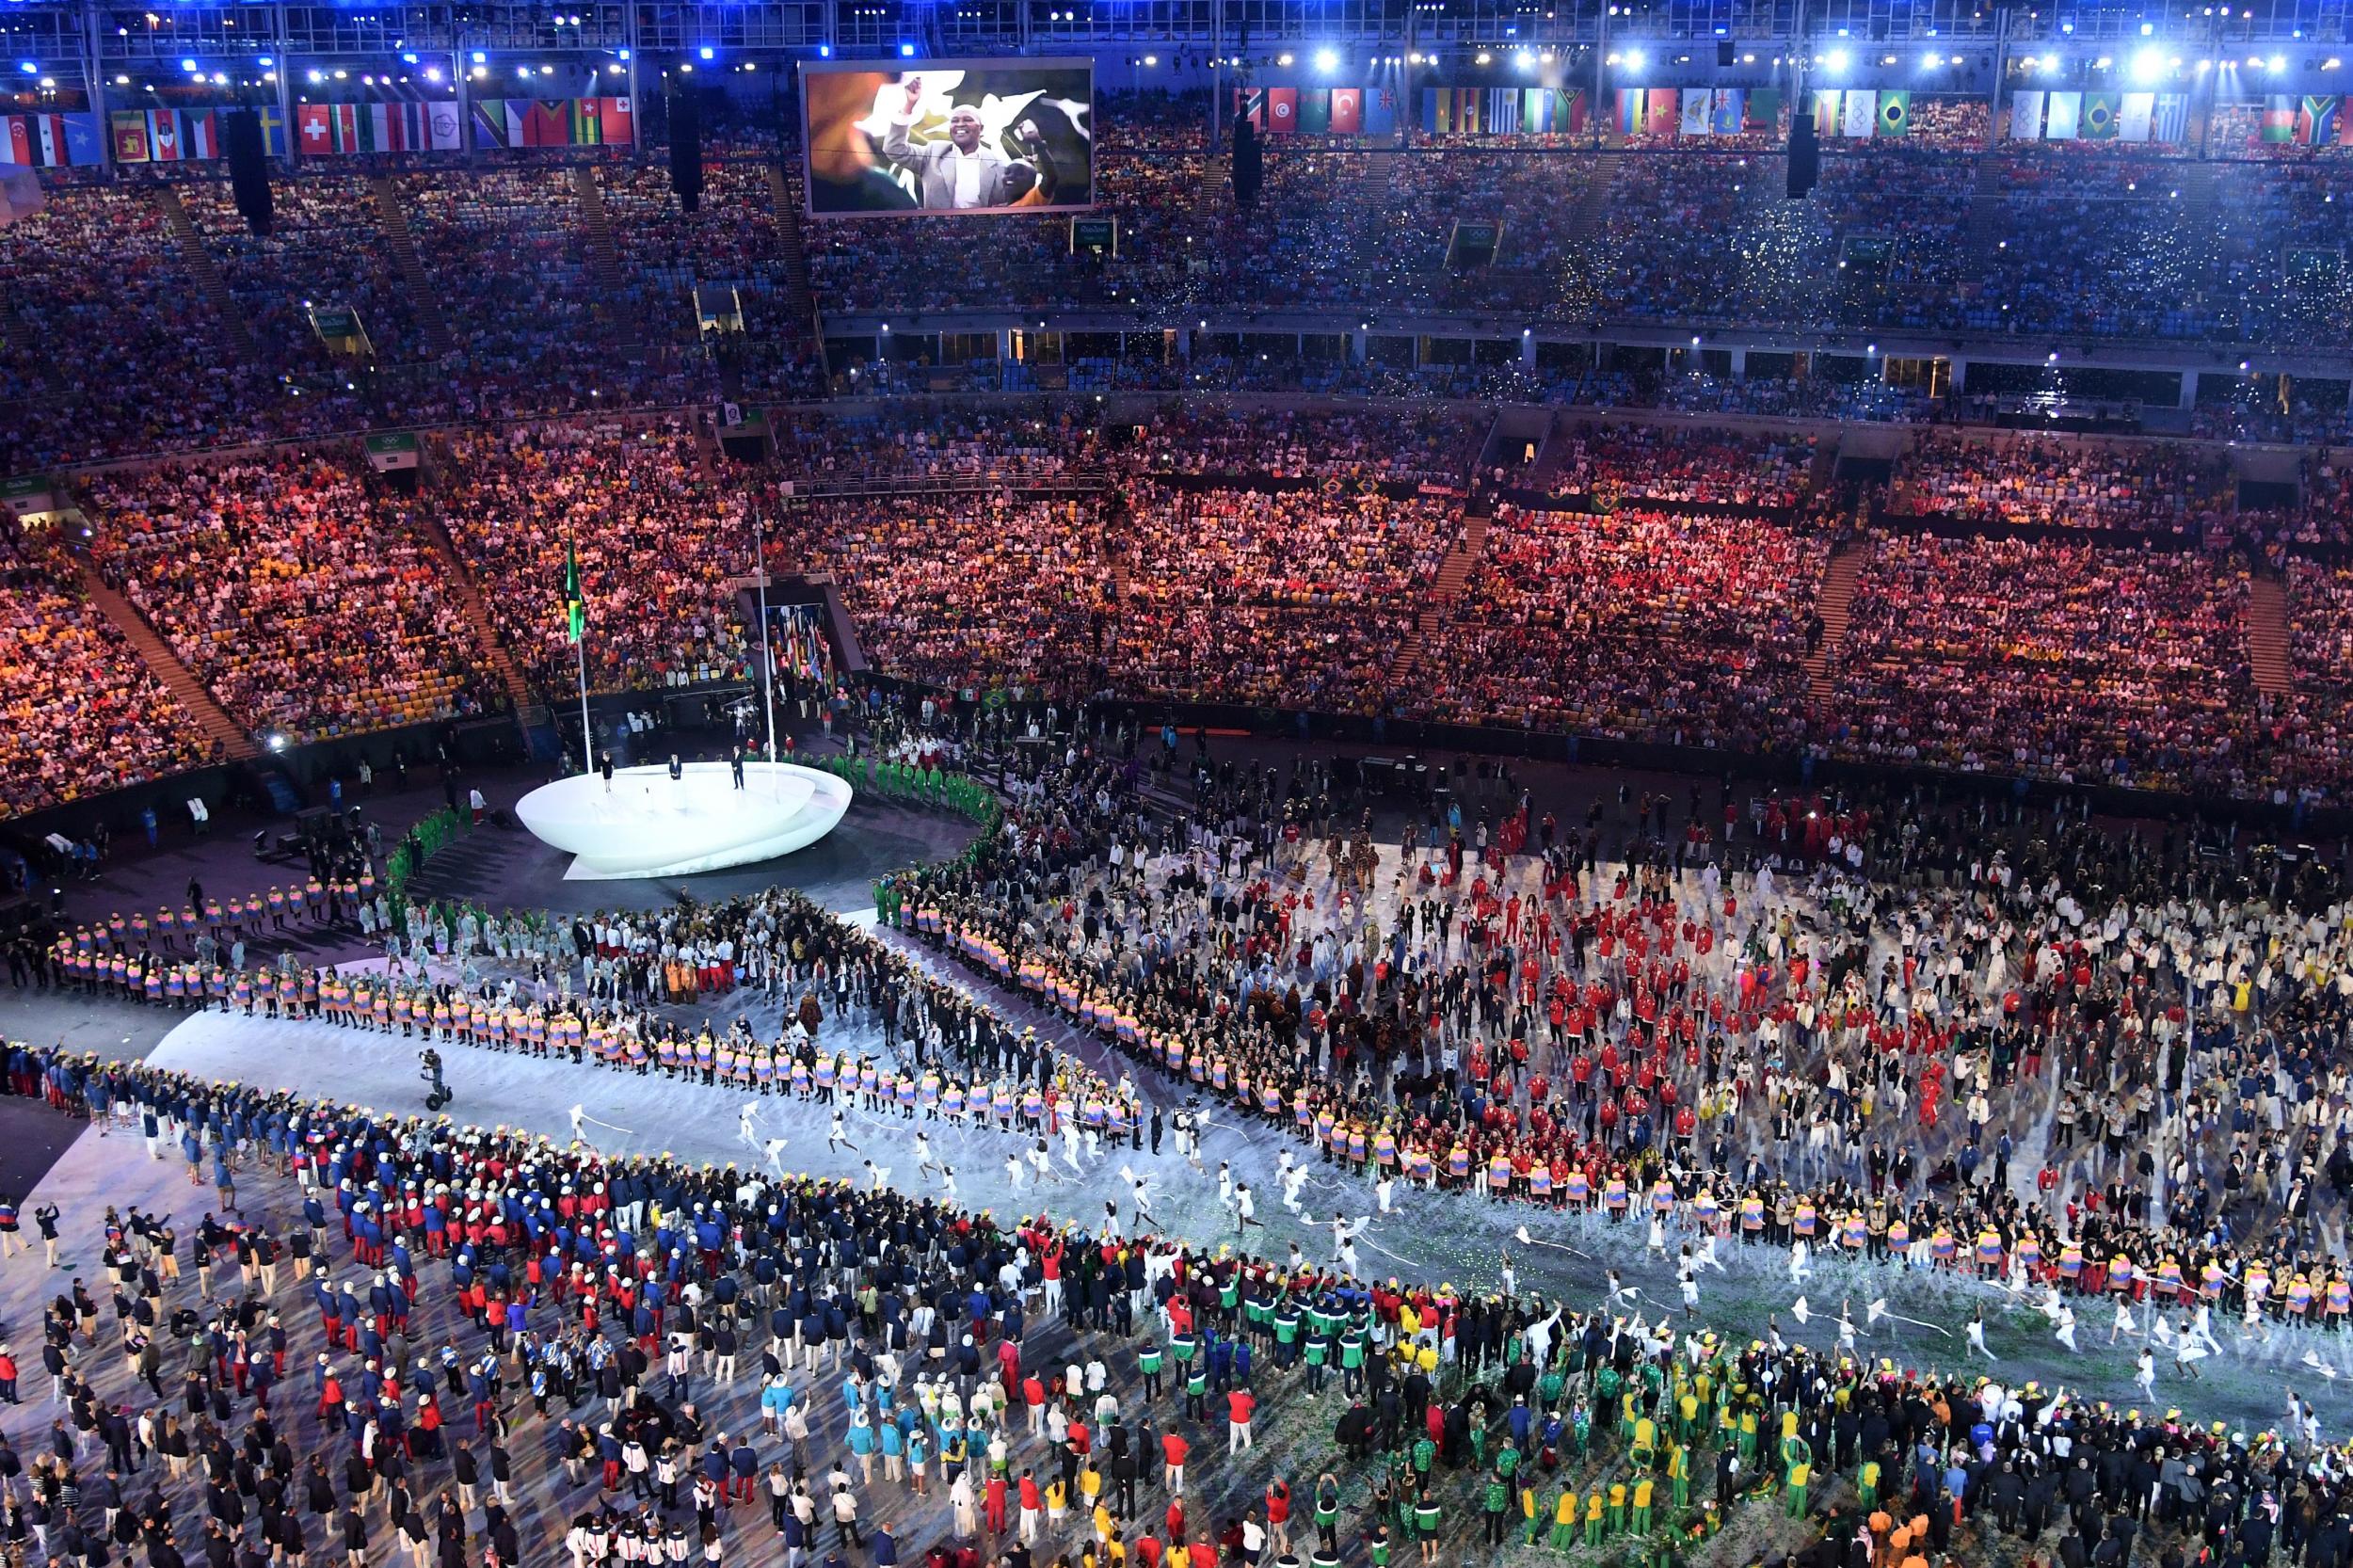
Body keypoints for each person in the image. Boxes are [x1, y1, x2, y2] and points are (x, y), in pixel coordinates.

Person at [880, 78, 1031, 211]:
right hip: (937, 232)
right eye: (954, 121)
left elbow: (1018, 199)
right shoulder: (934, 153)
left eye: (968, 120)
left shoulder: (998, 164)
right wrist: (909, 105)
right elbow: (894, 149)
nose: (960, 124)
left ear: (981, 129)